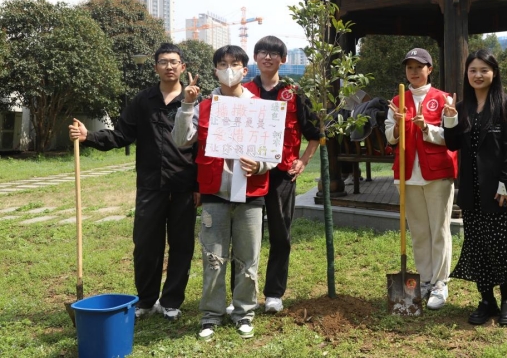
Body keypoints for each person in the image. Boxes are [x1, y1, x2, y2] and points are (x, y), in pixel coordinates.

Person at [68, 43, 197, 321]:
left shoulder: (193, 100)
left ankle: (171, 301)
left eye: (174, 62)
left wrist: (199, 186)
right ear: (156, 67)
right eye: (163, 62)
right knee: (146, 245)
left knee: (182, 245)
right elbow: (121, 135)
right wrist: (89, 136)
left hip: (184, 185)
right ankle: (147, 300)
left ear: (183, 67)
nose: (169, 67)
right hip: (150, 184)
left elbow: (203, 146)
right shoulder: (143, 101)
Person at [172, 44, 275, 340]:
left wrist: (260, 165)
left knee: (248, 258)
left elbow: (273, 151)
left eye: (234, 64)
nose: (228, 69)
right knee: (213, 258)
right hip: (215, 193)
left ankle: (244, 312)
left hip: (251, 194)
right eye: (222, 64)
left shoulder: (260, 107)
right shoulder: (204, 106)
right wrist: (187, 104)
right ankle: (211, 315)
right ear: (215, 70)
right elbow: (181, 140)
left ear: (245, 69)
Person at [443, 49, 507, 327]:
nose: (478, 75)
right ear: (467, 74)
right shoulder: (463, 107)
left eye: (483, 70)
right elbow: (453, 144)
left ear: (494, 73)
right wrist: (450, 118)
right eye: (473, 70)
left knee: (503, 246)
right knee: (478, 246)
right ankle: (486, 300)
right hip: (472, 191)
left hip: (500, 190)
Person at [241, 35, 320, 314]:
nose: (267, 57)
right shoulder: (244, 92)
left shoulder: (294, 92)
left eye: (274, 53)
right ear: (255, 58)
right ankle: (243, 293)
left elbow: (315, 133)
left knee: (280, 233)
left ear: (283, 60)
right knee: (245, 237)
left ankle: (274, 293)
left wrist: (303, 161)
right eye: (262, 52)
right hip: (248, 173)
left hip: (282, 174)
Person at [384, 48, 458, 310]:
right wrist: (398, 124)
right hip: (407, 175)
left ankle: (440, 282)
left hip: (437, 173)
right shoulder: (397, 100)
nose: (414, 72)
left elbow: (451, 138)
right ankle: (425, 280)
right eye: (410, 67)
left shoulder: (444, 98)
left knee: (439, 230)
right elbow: (390, 138)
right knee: (418, 231)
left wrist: (426, 127)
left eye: (419, 67)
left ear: (430, 69)